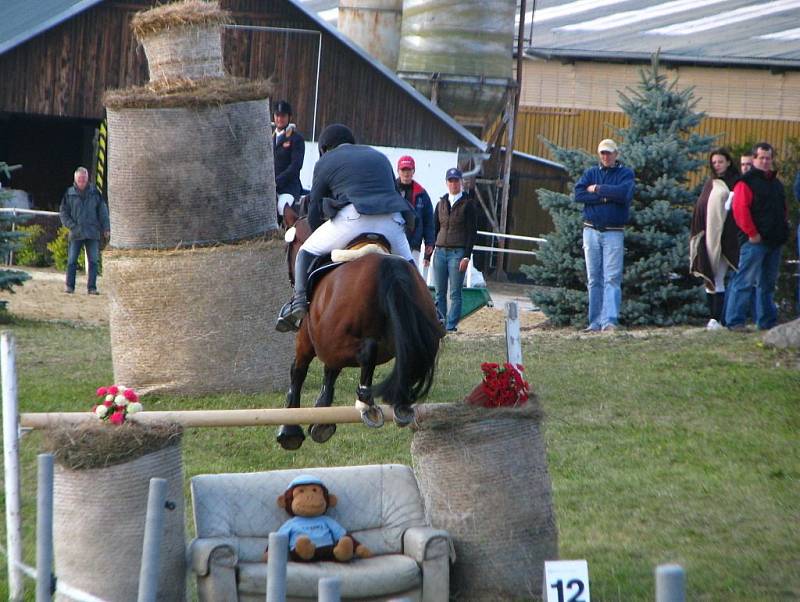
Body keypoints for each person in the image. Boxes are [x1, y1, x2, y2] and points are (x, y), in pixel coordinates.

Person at [276, 124, 415, 332]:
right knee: (410, 264)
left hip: (353, 218)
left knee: (306, 250)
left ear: (324, 148)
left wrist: (320, 234)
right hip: (391, 221)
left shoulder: (325, 161)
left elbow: (314, 210)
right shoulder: (379, 157)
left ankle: (298, 302)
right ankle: (432, 310)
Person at [725, 142, 790, 330]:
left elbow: (782, 209)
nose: (765, 161)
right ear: (754, 159)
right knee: (744, 281)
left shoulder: (776, 184)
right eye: (761, 158)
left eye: (768, 158)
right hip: (755, 242)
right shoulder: (745, 183)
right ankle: (735, 321)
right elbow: (740, 210)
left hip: (774, 241)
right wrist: (751, 233)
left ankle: (767, 321)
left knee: (767, 284)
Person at [574, 139, 635, 332]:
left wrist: (598, 189)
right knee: (594, 278)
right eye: (602, 153)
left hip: (613, 233)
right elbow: (578, 194)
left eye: (609, 153)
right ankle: (594, 322)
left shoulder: (626, 174)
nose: (605, 156)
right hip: (590, 231)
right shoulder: (590, 173)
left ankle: (610, 321)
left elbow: (624, 194)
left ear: (616, 154)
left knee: (612, 277)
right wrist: (608, 198)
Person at [689, 148, 740, 330]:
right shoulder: (711, 183)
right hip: (708, 236)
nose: (717, 165)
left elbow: (732, 209)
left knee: (718, 277)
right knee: (709, 278)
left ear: (728, 162)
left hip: (725, 237)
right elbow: (702, 207)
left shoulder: (735, 183)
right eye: (714, 162)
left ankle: (717, 318)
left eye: (720, 161)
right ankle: (713, 319)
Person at [432, 167, 478, 333]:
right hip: (440, 252)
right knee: (439, 292)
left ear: (461, 182)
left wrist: (466, 256)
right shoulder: (440, 204)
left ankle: (451, 326)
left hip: (457, 253)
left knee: (455, 292)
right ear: (446, 183)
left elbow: (472, 233)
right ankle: (441, 324)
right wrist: (431, 252)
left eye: (456, 181)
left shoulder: (469, 205)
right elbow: (435, 228)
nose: (453, 184)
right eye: (450, 181)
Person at [59, 166, 110, 295]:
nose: (82, 181)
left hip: (92, 233)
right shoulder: (69, 193)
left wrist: (106, 228)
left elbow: (103, 212)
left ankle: (92, 287)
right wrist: (72, 226)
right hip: (76, 233)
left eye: (84, 178)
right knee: (71, 261)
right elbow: (63, 213)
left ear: (87, 178)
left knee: (93, 261)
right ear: (75, 179)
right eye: (80, 179)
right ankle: (70, 286)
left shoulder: (95, 193)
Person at [395, 155, 434, 270]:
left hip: (413, 244)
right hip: (393, 241)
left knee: (411, 277)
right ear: (398, 171)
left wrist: (429, 242)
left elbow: (428, 220)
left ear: (413, 171)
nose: (406, 173)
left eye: (409, 170)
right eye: (403, 170)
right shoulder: (391, 190)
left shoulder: (422, 193)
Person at [272, 100, 305, 220]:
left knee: (282, 207)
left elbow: (296, 166)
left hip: (288, 187)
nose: (279, 119)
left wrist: (277, 181)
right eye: (277, 115)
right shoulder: (269, 138)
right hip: (271, 187)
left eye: (283, 116)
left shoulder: (296, 139)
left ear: (289, 117)